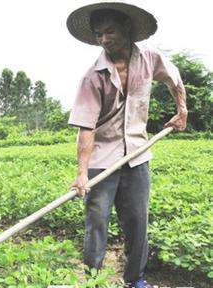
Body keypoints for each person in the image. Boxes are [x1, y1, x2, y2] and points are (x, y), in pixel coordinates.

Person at [66, 3, 188, 287]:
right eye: (99, 34)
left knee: (137, 221)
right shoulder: (92, 77)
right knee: (96, 223)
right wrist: (83, 173)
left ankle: (135, 279)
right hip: (101, 160)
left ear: (127, 28)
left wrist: (182, 111)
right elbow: (87, 128)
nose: (105, 39)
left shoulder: (150, 58)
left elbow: (175, 78)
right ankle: (93, 280)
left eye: (110, 31)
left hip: (137, 154)